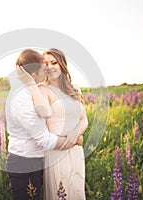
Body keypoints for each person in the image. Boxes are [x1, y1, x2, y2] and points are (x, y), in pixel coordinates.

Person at [5, 49, 84, 200]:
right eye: (44, 65)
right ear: (33, 75)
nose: (48, 68)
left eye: (53, 63)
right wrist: (75, 140)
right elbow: (44, 135)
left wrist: (76, 133)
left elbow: (83, 118)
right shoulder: (27, 96)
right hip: (33, 157)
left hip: (50, 155)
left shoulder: (31, 91)